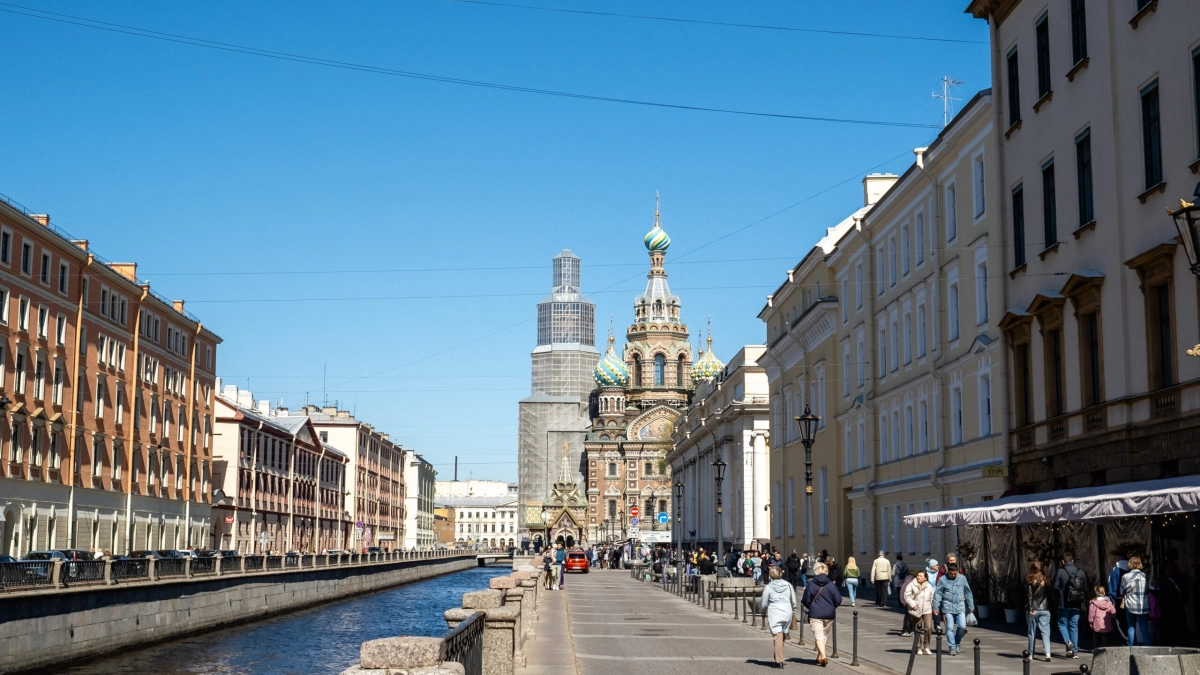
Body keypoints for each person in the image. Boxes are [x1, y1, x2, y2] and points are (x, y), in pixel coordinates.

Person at [801, 562, 843, 667]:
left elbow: (805, 600)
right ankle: (819, 657)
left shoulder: (811, 584)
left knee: (819, 636)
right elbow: (838, 600)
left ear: (815, 571)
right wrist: (831, 607)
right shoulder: (831, 585)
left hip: (815, 614)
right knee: (823, 635)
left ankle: (823, 656)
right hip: (829, 614)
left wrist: (812, 606)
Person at [933, 562, 975, 656]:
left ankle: (957, 642)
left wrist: (971, 606)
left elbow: (968, 592)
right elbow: (938, 593)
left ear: (957, 571)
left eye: (955, 573)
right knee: (949, 628)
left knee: (962, 626)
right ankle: (952, 646)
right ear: (948, 572)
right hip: (948, 607)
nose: (953, 575)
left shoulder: (962, 578)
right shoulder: (942, 579)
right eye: (951, 573)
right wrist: (936, 607)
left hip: (960, 607)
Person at [760, 566, 798, 668]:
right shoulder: (788, 585)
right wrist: (794, 611)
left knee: (777, 637)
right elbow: (793, 601)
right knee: (782, 636)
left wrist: (763, 612)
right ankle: (778, 656)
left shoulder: (768, 587)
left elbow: (764, 603)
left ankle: (778, 661)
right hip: (787, 611)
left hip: (775, 612)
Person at [1052, 552, 1087, 658]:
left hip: (1064, 603)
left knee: (1062, 624)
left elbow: (1055, 587)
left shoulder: (1060, 572)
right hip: (1077, 603)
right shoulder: (1081, 572)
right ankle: (1075, 651)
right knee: (1074, 626)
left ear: (1063, 561)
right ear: (1072, 561)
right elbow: (1085, 588)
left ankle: (1068, 643)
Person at [1119, 556, 1151, 646]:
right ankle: (1149, 647)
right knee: (1144, 628)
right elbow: (1147, 589)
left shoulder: (1125, 576)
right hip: (1143, 605)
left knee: (1131, 627)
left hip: (1131, 604)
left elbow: (1121, 591)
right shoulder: (1145, 576)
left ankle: (1131, 649)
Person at [1026, 562, 1053, 662]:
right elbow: (1050, 596)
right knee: (1045, 632)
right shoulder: (1047, 580)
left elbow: (1029, 596)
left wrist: (1031, 609)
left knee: (1031, 632)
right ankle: (1047, 653)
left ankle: (1030, 654)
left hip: (1034, 609)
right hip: (1045, 608)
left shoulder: (1030, 581)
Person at [904, 570, 935, 655]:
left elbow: (932, 597)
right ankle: (918, 647)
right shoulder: (911, 585)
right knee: (917, 628)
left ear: (925, 578)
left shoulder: (929, 586)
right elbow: (907, 596)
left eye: (921, 576)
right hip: (916, 610)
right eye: (918, 575)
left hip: (927, 610)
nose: (918, 577)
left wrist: (932, 606)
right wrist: (913, 605)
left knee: (928, 627)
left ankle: (926, 646)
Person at [898, 569, 917, 637]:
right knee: (908, 616)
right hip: (907, 602)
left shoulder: (911, 580)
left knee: (911, 616)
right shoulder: (908, 581)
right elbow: (902, 592)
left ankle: (910, 630)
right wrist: (903, 601)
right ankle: (905, 630)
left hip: (911, 602)